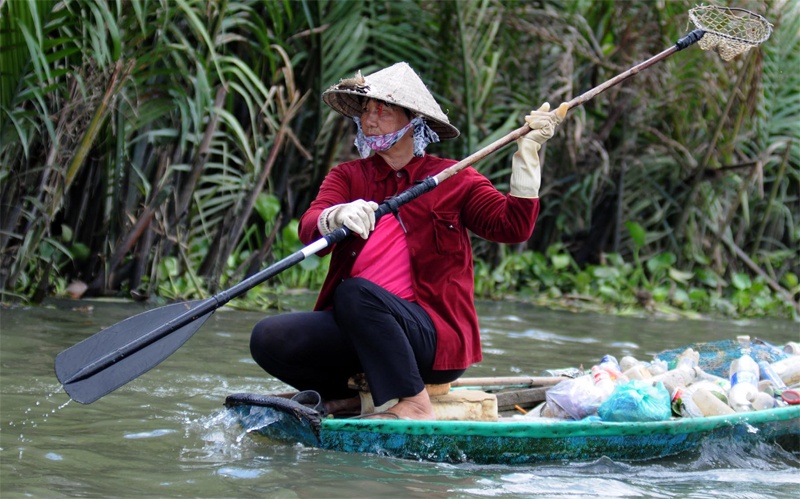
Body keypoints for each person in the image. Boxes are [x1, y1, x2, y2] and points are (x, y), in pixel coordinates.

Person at [250, 62, 565, 420]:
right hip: (362, 331)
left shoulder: (454, 178)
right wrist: (336, 215)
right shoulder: (349, 176)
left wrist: (528, 156)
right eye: (367, 110)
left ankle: (414, 403)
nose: (371, 119)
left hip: (431, 337)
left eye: (383, 110)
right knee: (268, 337)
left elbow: (512, 227)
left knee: (354, 292)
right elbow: (309, 226)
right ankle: (348, 399)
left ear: (413, 120)